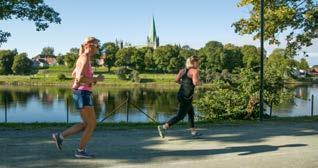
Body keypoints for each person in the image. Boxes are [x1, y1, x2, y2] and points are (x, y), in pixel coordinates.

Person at [52, 37, 104, 158]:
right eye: (97, 46)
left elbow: (74, 74)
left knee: (86, 124)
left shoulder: (83, 57)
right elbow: (79, 78)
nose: (98, 48)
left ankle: (60, 136)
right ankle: (80, 151)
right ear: (89, 45)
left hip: (81, 93)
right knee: (91, 124)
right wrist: (96, 79)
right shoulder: (85, 57)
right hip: (83, 93)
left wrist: (90, 79)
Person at [157, 56, 201, 138]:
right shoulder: (194, 71)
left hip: (181, 94)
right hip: (186, 97)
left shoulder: (182, 70)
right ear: (193, 63)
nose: (198, 64)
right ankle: (163, 127)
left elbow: (176, 80)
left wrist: (184, 84)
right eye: (198, 62)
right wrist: (200, 82)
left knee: (191, 112)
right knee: (180, 116)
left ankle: (193, 132)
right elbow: (195, 83)